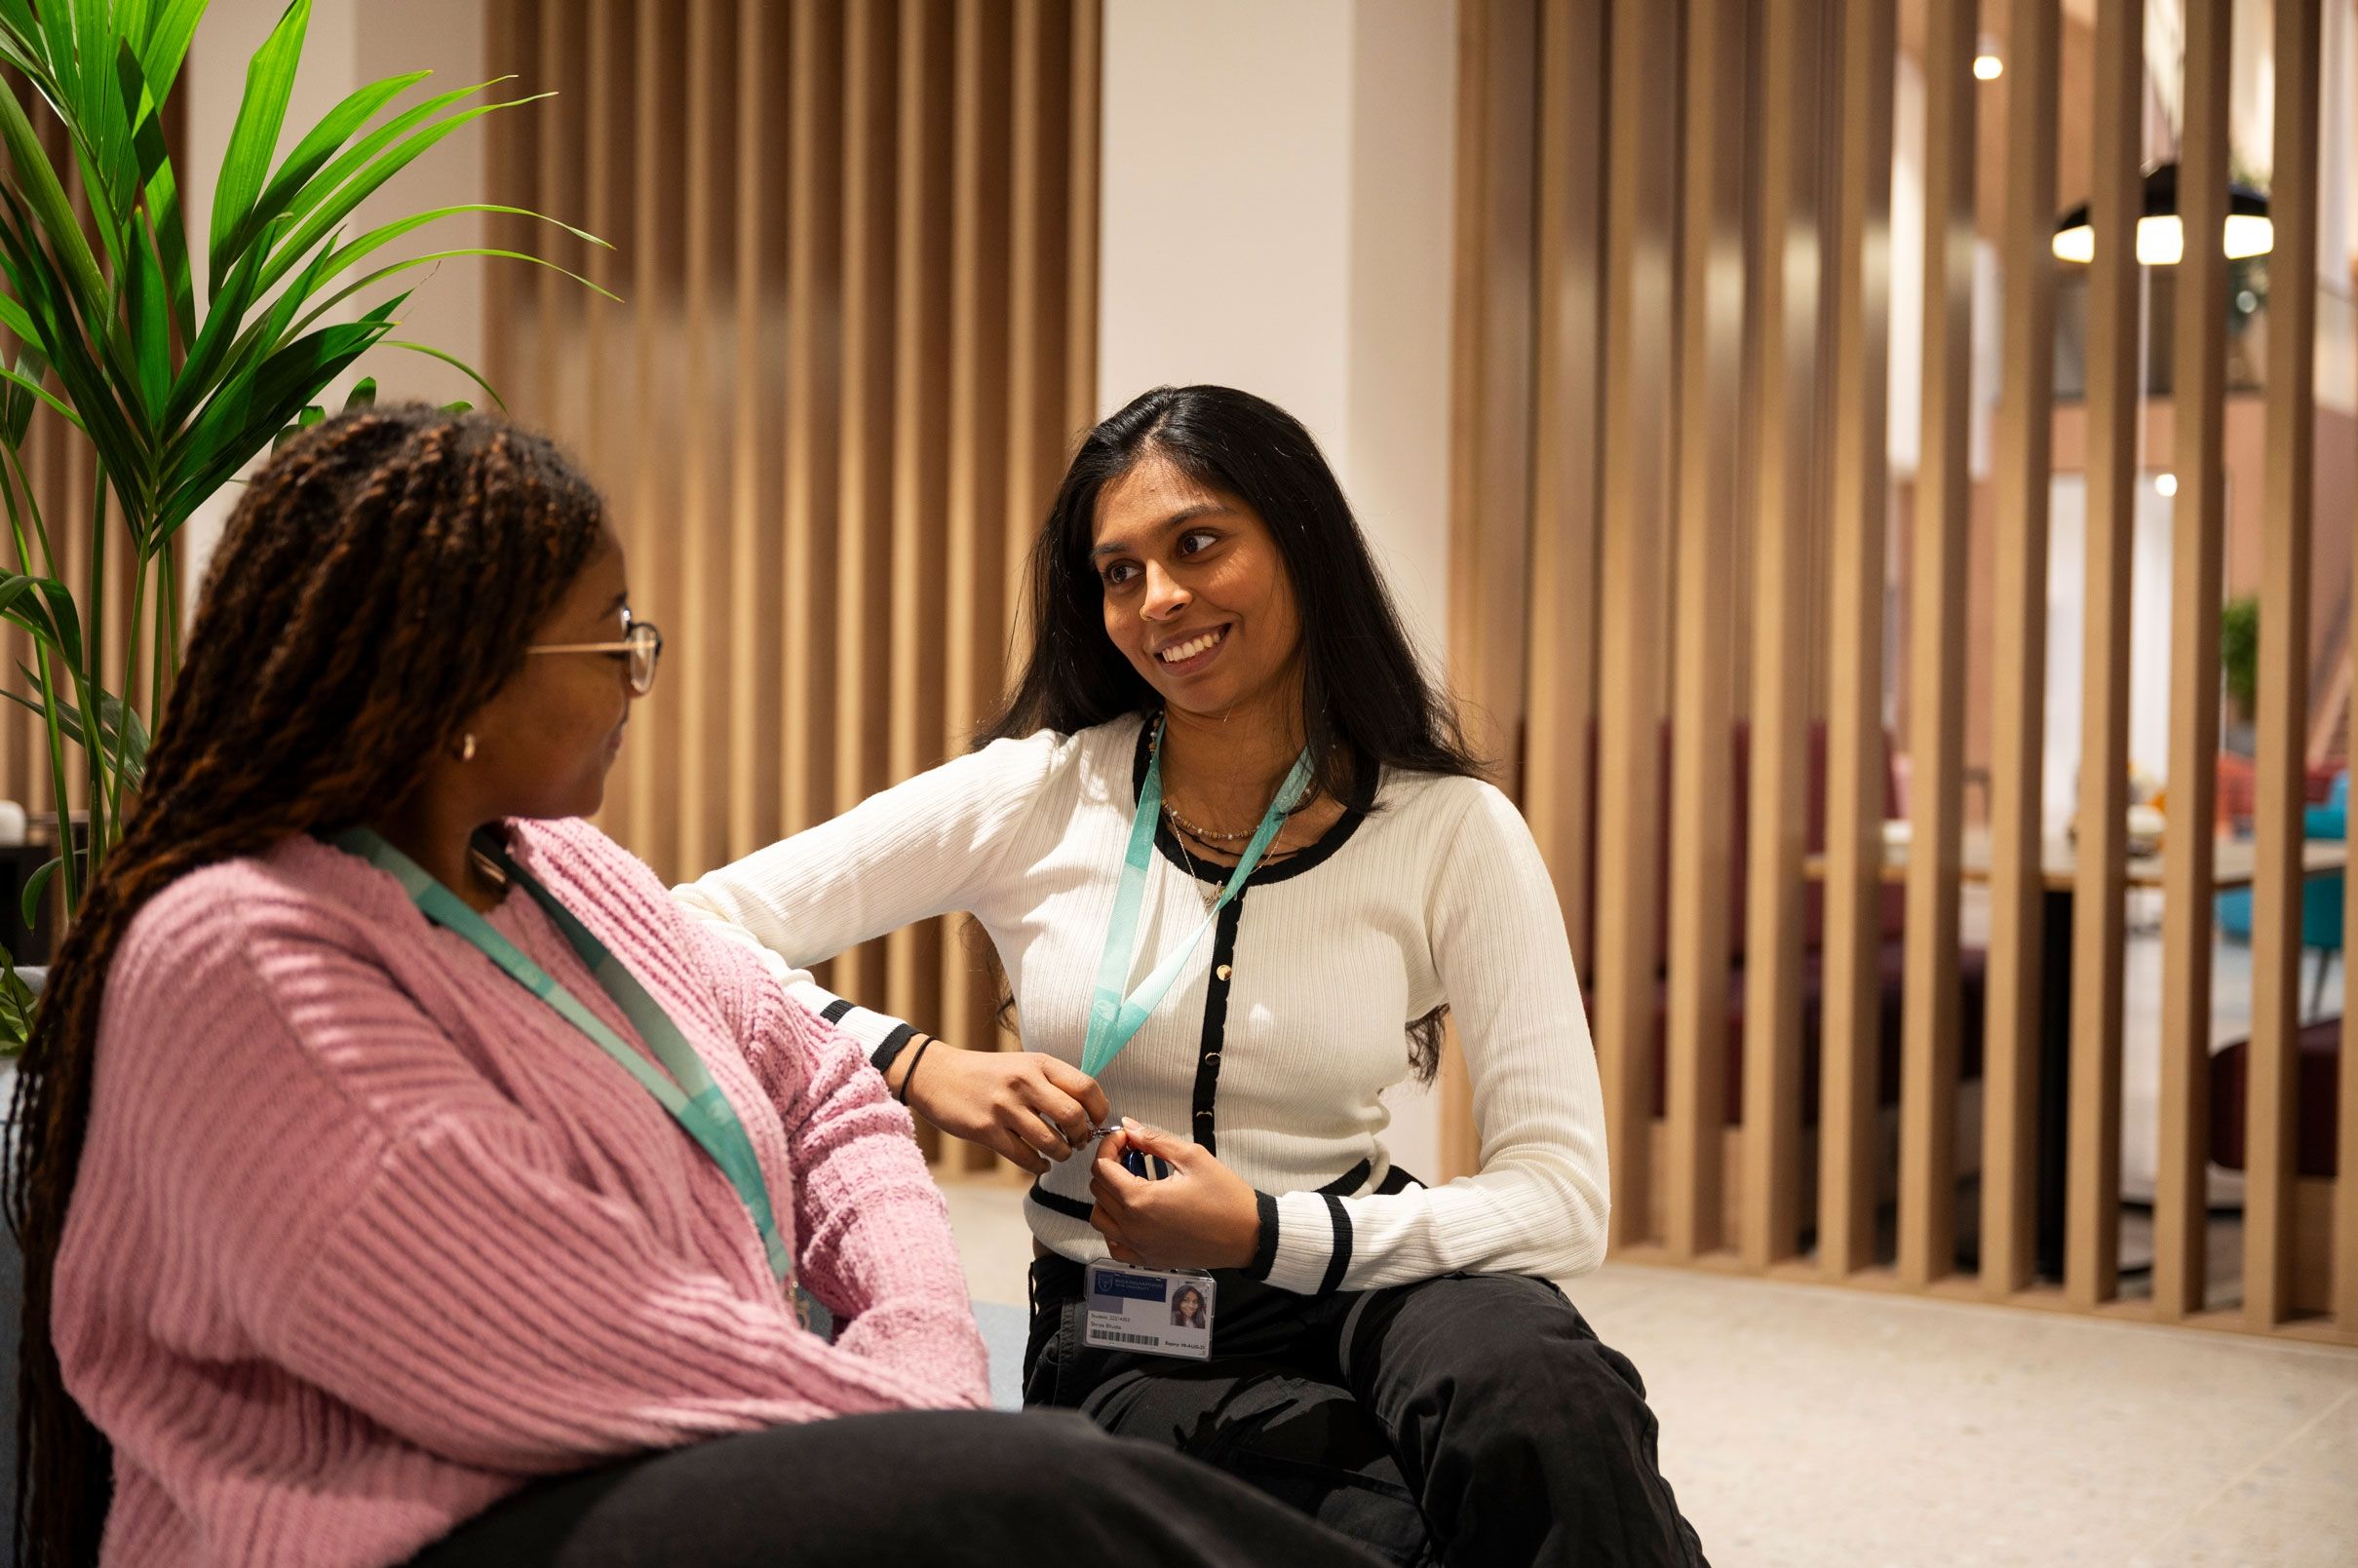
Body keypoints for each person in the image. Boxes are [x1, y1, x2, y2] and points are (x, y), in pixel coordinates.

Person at [5, 407, 1391, 1568]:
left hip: (687, 1447)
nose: (634, 673)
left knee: (1037, 1488)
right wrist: (912, 1433)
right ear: (460, 676)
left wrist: (918, 1349)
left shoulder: (563, 872)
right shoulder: (242, 953)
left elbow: (829, 1098)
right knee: (1048, 1498)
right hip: (421, 1527)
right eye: (608, 636)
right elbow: (545, 1340)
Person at [677, 384, 1707, 1566]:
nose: (1159, 599)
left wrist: (1271, 1232)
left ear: (1301, 543)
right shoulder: (1040, 794)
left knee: (1552, 1406)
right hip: (1130, 1320)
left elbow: (1563, 1200)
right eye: (1120, 571)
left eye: (1198, 543)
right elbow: (685, 925)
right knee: (1390, 1534)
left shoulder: (1451, 827)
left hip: (1372, 1261)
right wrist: (913, 1062)